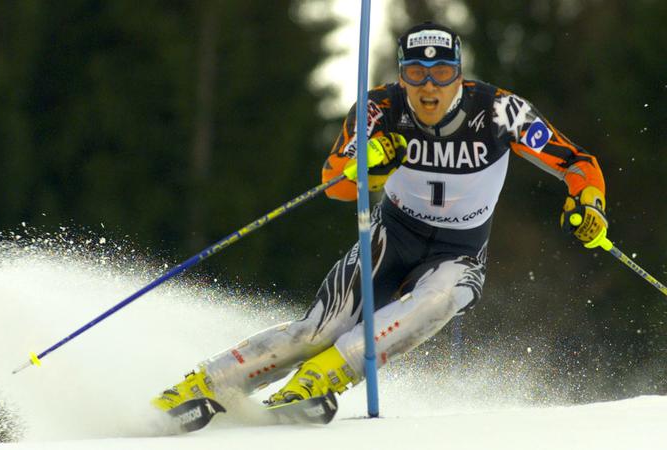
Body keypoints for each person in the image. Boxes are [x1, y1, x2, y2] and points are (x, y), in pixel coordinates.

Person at [152, 22, 608, 413]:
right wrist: (370, 165)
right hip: (393, 234)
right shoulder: (379, 109)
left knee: (441, 299)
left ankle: (324, 377)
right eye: (415, 73)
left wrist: (589, 205)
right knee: (319, 329)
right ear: (402, 75)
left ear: (460, 76)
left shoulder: (499, 111)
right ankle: (207, 385)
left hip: (460, 250)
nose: (429, 87)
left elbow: (575, 161)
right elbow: (335, 184)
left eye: (442, 73)